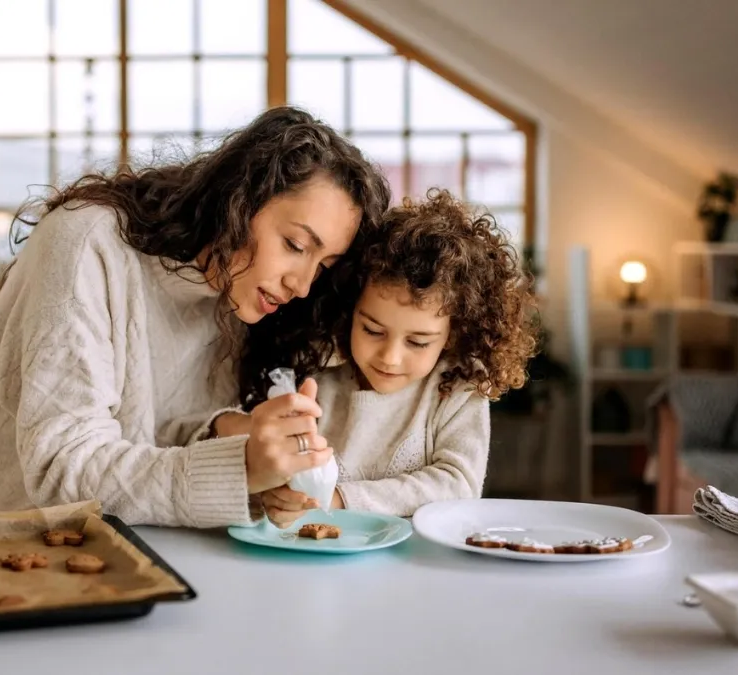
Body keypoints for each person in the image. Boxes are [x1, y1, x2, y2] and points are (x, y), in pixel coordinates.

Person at [0, 106, 392, 528]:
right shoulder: (87, 242)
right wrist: (239, 468)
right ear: (239, 199)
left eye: (322, 264)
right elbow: (64, 466)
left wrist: (250, 452)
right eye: (295, 245)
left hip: (83, 547)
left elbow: (164, 432)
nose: (301, 284)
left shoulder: (238, 293)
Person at [224, 190, 538, 526]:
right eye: (373, 331)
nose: (390, 358)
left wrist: (340, 499)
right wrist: (276, 492)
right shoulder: (317, 371)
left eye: (418, 342)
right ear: (349, 312)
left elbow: (458, 484)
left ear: (454, 335)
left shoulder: (459, 387)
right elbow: (272, 458)